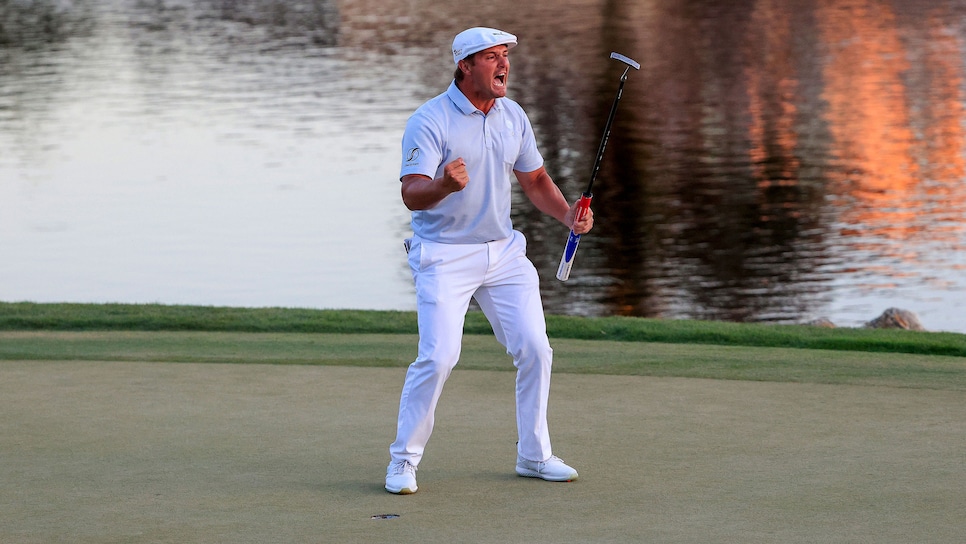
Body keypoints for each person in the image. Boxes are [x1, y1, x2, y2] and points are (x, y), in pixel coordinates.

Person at [385, 26, 594, 495]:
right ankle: (403, 461)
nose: (504, 65)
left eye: (505, 56)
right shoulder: (430, 119)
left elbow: (536, 179)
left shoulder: (512, 115)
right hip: (443, 254)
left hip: (503, 253)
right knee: (439, 357)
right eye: (492, 57)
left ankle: (534, 456)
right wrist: (443, 185)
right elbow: (411, 194)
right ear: (465, 65)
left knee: (536, 349)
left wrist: (567, 216)